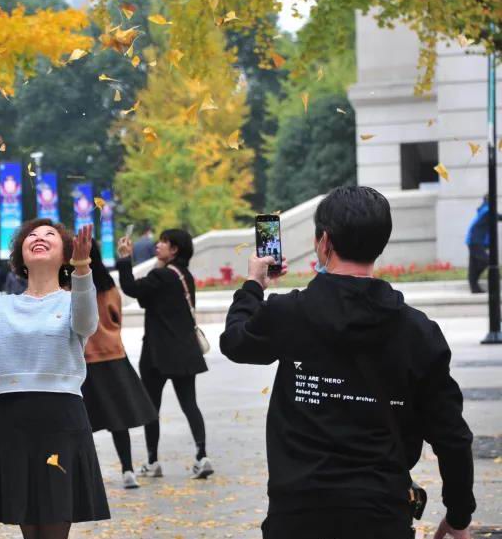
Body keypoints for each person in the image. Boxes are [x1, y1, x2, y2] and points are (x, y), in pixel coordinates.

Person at [221, 186, 476, 539]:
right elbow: (452, 436)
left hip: (297, 514)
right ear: (381, 243)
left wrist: (253, 285)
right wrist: (459, 515)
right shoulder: (418, 332)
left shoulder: (288, 314)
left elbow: (235, 341)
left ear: (324, 241)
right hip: (381, 515)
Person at [0, 220, 109, 539]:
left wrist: (83, 268)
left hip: (62, 417)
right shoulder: (1, 304)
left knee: (56, 522)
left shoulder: (73, 299)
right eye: (32, 235)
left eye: (49, 235)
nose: (39, 238)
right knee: (28, 526)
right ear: (21, 254)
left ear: (66, 255)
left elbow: (87, 323)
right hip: (13, 417)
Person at [116, 228, 212, 479]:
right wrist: (156, 267)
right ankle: (202, 456)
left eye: (164, 242)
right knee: (190, 404)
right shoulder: (183, 276)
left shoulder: (161, 276)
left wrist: (125, 258)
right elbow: (148, 299)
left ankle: (152, 461)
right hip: (185, 352)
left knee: (151, 407)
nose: (158, 245)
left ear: (175, 249)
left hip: (157, 353)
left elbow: (131, 288)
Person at [81, 244, 158, 490]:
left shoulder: (71, 288)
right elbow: (117, 319)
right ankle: (128, 470)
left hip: (85, 360)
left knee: (81, 422)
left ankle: (86, 475)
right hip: (114, 356)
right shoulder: (109, 287)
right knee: (118, 420)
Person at [465, 195, 502, 293]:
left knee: (473, 265)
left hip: (473, 240)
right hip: (475, 241)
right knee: (486, 262)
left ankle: (474, 288)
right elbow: (498, 217)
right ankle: (474, 281)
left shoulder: (483, 209)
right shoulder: (487, 210)